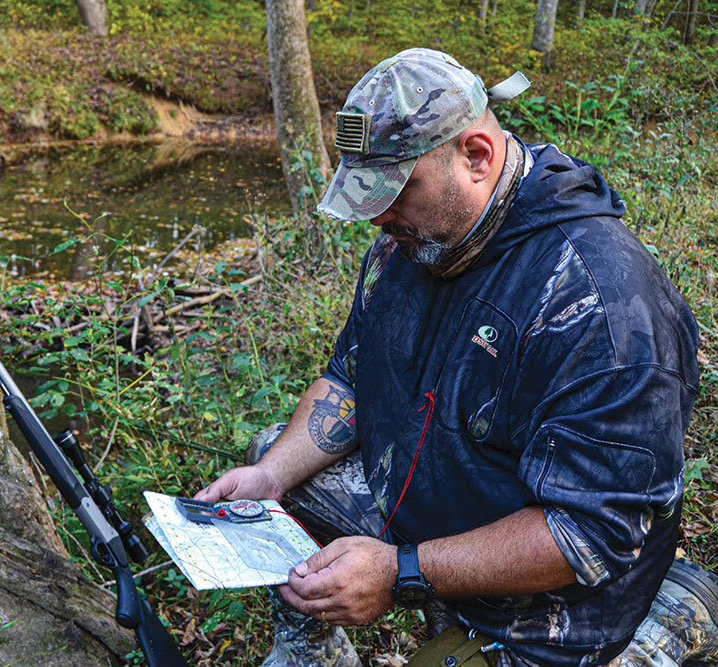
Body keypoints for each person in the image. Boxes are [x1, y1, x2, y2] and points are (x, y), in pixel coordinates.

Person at [196, 48, 717, 666]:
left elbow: (588, 534)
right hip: (429, 507)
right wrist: (273, 477)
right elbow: (349, 377)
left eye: (396, 191)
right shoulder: (415, 240)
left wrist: (400, 572)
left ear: (476, 155)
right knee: (270, 471)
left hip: (561, 602)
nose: (378, 218)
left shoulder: (605, 306)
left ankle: (674, 614)